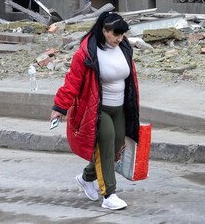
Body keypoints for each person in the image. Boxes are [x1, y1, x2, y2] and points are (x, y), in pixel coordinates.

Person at [51, 11, 140, 211]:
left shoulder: (124, 47)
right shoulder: (87, 53)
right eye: (115, 34)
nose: (119, 38)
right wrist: (60, 106)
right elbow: (72, 82)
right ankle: (109, 194)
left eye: (122, 34)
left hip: (120, 108)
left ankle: (85, 178)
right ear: (103, 30)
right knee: (106, 147)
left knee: (117, 147)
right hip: (97, 110)